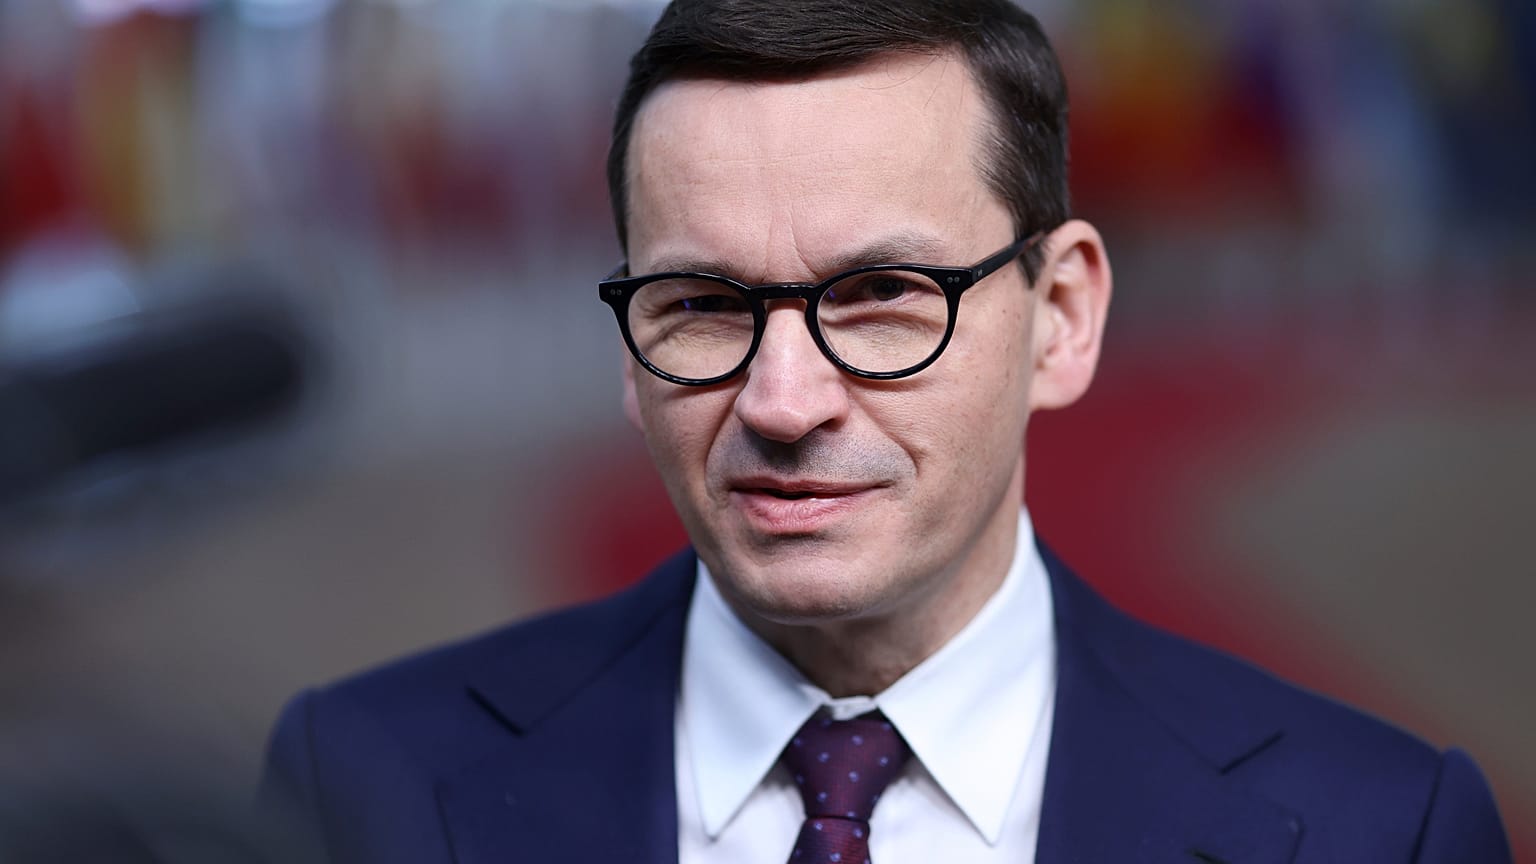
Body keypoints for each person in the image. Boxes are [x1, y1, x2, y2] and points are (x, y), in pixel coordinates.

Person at [260, 1, 1513, 862]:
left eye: (880, 299)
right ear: (628, 355)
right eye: (701, 306)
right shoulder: (360, 789)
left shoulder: (1373, 830)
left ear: (1061, 319)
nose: (785, 403)